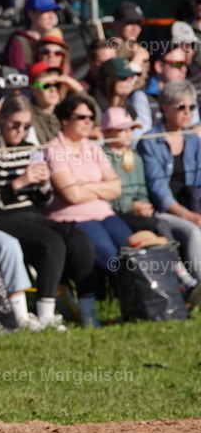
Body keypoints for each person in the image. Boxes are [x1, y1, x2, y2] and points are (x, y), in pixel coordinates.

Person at [0, 93, 97, 330]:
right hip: (0, 218)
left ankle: (88, 311)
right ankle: (46, 313)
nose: (20, 130)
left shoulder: (32, 149)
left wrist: (44, 186)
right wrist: (18, 183)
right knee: (51, 242)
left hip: (31, 213)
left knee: (78, 238)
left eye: (26, 126)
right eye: (15, 124)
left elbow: (43, 201)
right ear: (2, 120)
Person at [44, 94, 132, 326]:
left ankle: (148, 301)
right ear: (64, 120)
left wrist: (85, 187)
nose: (88, 122)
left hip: (105, 214)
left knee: (134, 252)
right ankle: (131, 306)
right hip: (74, 218)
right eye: (81, 117)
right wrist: (97, 188)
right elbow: (71, 195)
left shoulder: (93, 147)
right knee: (113, 258)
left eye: (91, 117)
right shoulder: (53, 150)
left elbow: (117, 188)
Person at [101, 106, 201, 291]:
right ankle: (181, 279)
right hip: (115, 214)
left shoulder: (135, 157)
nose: (128, 133)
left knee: (162, 224)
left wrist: (143, 204)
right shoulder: (101, 158)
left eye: (131, 129)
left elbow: (142, 189)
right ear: (107, 132)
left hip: (143, 212)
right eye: (122, 129)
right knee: (160, 226)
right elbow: (106, 197)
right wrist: (131, 205)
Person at [137, 80, 201, 234]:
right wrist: (190, 216)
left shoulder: (193, 139)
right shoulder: (149, 141)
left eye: (191, 107)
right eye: (181, 107)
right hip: (165, 211)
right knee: (194, 233)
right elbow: (158, 190)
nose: (187, 112)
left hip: (193, 205)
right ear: (165, 106)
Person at [3, 0, 60, 73]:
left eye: (54, 11)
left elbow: (68, 72)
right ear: (31, 14)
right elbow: (17, 76)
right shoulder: (18, 42)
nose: (52, 16)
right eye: (46, 11)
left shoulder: (54, 39)